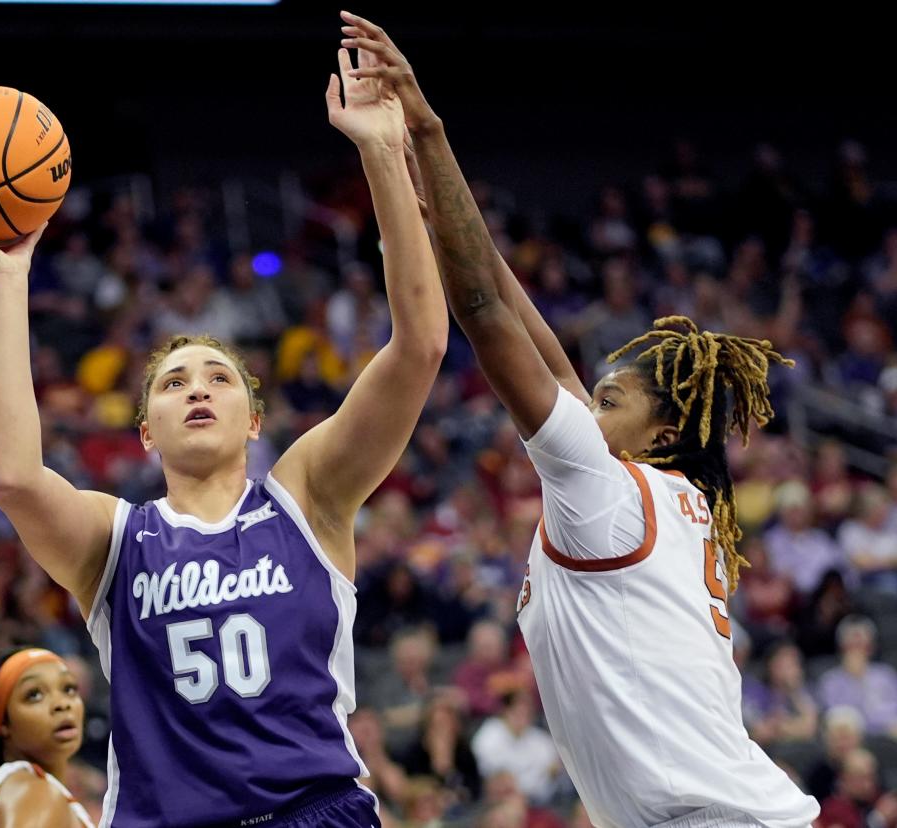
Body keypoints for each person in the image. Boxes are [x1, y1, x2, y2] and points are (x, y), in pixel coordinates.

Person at [0, 34, 447, 828]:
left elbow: (420, 348)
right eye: (173, 383)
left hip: (318, 811)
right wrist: (10, 278)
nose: (197, 389)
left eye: (218, 378)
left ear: (255, 421)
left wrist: (379, 154)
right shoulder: (117, 540)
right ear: (145, 434)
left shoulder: (308, 500)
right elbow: (15, 477)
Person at [336, 11, 819, 826]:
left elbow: (487, 310)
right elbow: (527, 326)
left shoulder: (609, 492)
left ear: (662, 434)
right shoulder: (659, 498)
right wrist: (430, 193)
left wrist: (425, 125)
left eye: (610, 401)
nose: (585, 406)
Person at [0, 648, 92, 828]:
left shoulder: (6, 786)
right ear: (2, 722)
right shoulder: (34, 793)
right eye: (34, 695)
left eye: (69, 689)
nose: (62, 704)